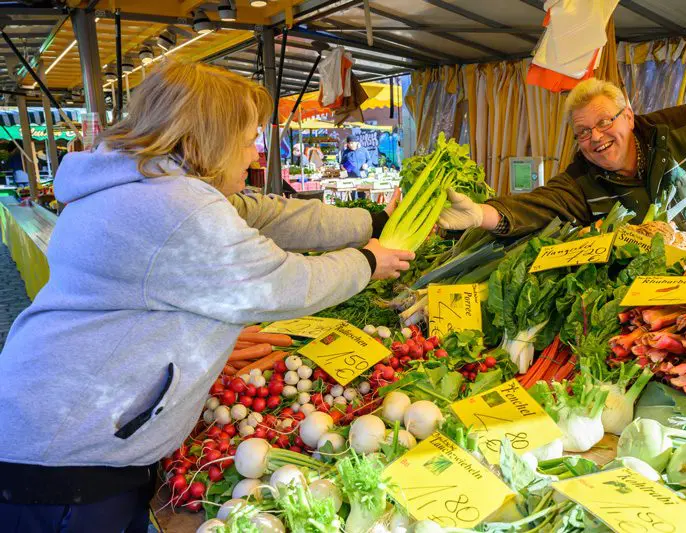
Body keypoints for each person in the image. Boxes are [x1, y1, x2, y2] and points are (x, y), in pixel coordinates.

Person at [0, 61, 414, 532]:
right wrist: (366, 262)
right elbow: (278, 285)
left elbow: (269, 215)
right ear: (208, 138)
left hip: (59, 428)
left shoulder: (146, 184)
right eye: (247, 138)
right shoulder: (172, 206)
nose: (255, 154)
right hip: (67, 455)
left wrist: (371, 223)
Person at [439, 78, 686, 242]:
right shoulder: (581, 180)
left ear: (628, 116)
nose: (595, 137)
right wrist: (480, 214)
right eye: (582, 132)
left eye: (604, 122)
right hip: (648, 305)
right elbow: (537, 207)